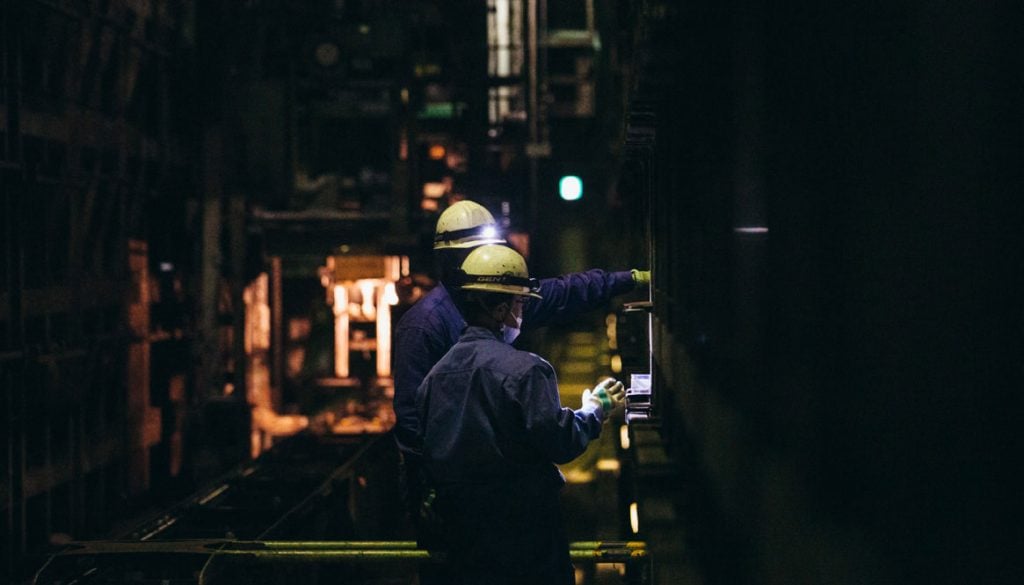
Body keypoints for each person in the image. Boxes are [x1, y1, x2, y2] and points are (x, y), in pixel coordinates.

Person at [415, 244, 626, 584]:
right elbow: (560, 442)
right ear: (500, 310)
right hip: (524, 541)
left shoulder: (434, 378)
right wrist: (594, 410)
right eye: (520, 304)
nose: (522, 313)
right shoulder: (527, 371)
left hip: (462, 542)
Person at [393, 199, 647, 475]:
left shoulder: (491, 306)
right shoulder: (428, 327)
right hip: (499, 493)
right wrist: (594, 410)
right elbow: (412, 422)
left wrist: (629, 279)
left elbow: (564, 292)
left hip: (463, 491)